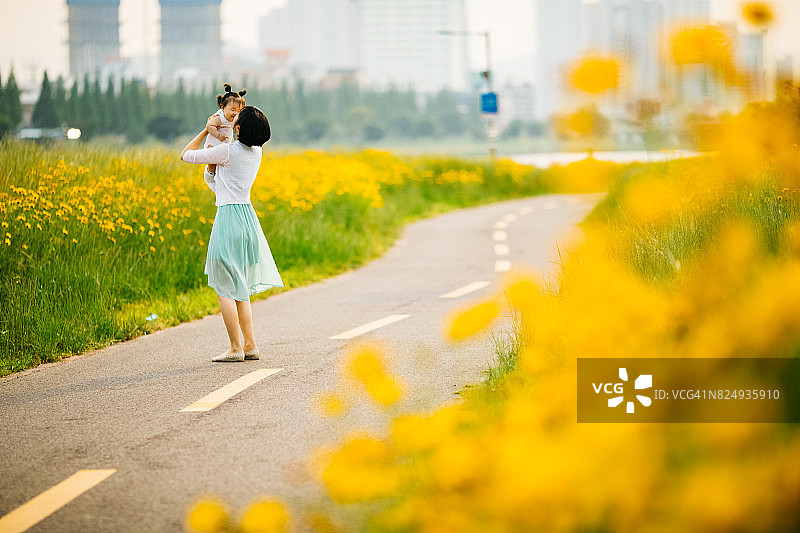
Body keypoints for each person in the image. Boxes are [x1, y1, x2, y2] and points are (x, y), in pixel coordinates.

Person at [180, 106, 284, 362]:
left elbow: (186, 155)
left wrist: (207, 129)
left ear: (238, 128)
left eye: (236, 118)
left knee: (225, 288)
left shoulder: (227, 151)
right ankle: (250, 345)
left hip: (228, 219)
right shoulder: (256, 152)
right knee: (240, 288)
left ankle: (236, 348)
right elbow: (217, 184)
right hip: (247, 219)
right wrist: (214, 165)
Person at [203, 84, 246, 186]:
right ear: (223, 108)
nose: (236, 113)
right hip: (214, 145)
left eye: (239, 111)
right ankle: (210, 176)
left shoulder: (233, 119)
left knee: (223, 165)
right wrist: (218, 135)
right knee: (212, 164)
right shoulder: (220, 118)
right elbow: (209, 126)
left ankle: (219, 179)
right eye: (233, 110)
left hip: (224, 144)